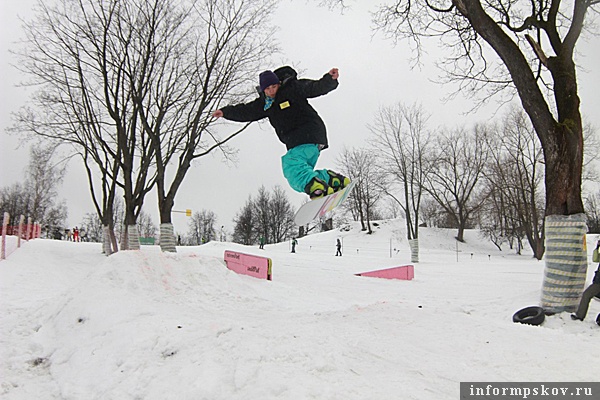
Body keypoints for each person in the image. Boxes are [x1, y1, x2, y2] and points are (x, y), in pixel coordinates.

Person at [212, 66, 350, 199]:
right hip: (303, 141)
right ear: (263, 89)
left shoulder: (292, 89)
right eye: (268, 89)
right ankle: (332, 180)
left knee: (291, 165)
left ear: (279, 84)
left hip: (308, 133)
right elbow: (245, 111)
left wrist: (329, 80)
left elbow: (314, 87)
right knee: (303, 169)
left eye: (274, 87)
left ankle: (316, 187)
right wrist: (225, 112)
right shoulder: (265, 104)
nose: (272, 91)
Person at [571, 241, 600, 322]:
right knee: (587, 294)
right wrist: (597, 248)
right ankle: (580, 316)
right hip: (598, 282)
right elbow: (595, 259)